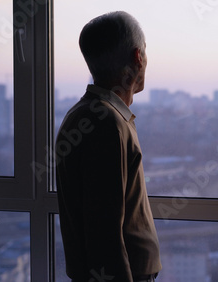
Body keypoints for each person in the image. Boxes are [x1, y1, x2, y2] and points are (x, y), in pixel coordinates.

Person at [56, 11, 161, 282]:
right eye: (146, 52)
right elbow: (105, 232)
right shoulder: (105, 123)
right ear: (138, 57)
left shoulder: (87, 114)